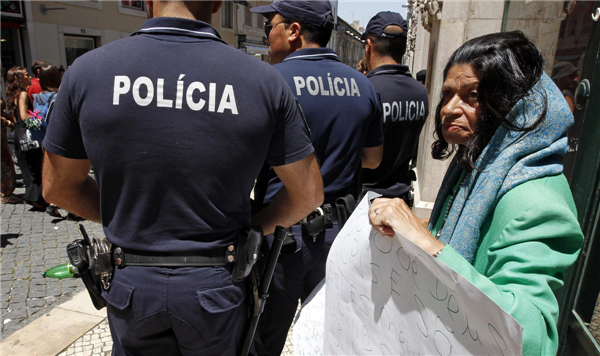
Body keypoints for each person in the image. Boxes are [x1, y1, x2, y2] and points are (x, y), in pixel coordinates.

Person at [42, 1, 323, 355]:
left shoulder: (87, 72)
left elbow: (57, 187)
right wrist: (253, 226)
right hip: (216, 281)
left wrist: (126, 214)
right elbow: (308, 194)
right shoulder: (263, 80)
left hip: (132, 282)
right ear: (219, 3)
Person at [369, 31, 583, 356]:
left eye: (473, 96)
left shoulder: (535, 202)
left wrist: (427, 243)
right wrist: (415, 228)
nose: (449, 109)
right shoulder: (478, 163)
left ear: (514, 104)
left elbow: (532, 337)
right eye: (447, 94)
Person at [250, 1, 383, 354]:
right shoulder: (363, 86)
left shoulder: (269, 82)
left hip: (280, 236)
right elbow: (372, 159)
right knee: (330, 339)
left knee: (264, 337)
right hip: (339, 237)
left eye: (270, 26)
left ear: (294, 31)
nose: (267, 36)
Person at [361, 11, 428, 202]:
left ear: (369, 46)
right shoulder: (420, 91)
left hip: (366, 201)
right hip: (400, 199)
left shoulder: (365, 89)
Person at [5, 66, 47, 209]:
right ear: (18, 79)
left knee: (28, 166)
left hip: (19, 132)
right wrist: (38, 121)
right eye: (25, 75)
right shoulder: (22, 94)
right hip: (26, 133)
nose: (29, 77)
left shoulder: (13, 94)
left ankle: (34, 196)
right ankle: (36, 198)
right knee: (35, 166)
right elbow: (24, 116)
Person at [34, 64, 63, 217]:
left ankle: (53, 201)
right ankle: (59, 204)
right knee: (66, 172)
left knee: (51, 170)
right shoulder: (58, 97)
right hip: (59, 139)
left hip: (44, 138)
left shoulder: (37, 96)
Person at [1, 98, 21, 204]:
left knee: (6, 162)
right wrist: (7, 121)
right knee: (3, 164)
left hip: (2, 136)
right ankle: (4, 193)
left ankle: (7, 191)